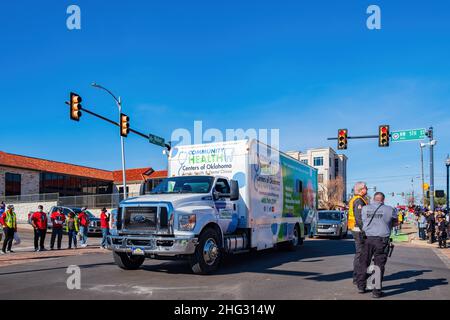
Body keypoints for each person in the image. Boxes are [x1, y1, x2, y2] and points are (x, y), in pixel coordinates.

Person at [356, 192, 397, 298]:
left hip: (367, 239)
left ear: (374, 199)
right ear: (383, 200)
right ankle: (376, 291)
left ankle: (361, 286)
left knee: (363, 262)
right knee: (378, 266)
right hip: (381, 241)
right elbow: (395, 222)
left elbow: (360, 220)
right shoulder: (389, 209)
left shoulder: (365, 209)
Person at [347, 181, 369, 285]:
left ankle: (357, 276)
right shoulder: (359, 201)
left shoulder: (356, 199)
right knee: (360, 253)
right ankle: (357, 277)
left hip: (355, 228)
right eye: (366, 188)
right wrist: (365, 230)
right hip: (358, 229)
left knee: (359, 253)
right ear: (361, 190)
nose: (367, 189)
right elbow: (359, 218)